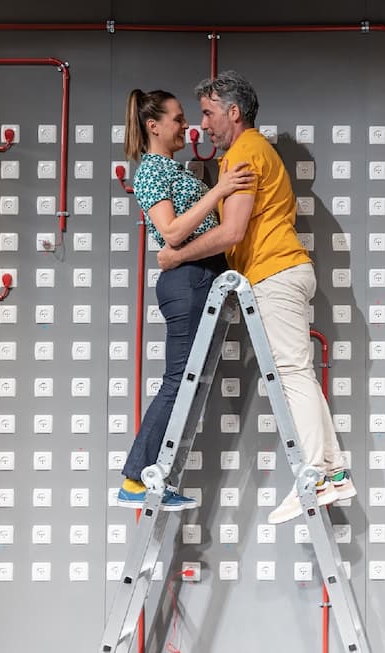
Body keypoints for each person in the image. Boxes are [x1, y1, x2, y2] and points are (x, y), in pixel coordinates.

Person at [156, 71, 356, 524]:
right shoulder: (254, 150)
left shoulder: (244, 152)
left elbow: (232, 232)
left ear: (233, 112)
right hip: (281, 271)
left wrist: (176, 255)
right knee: (297, 374)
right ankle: (331, 473)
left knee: (291, 375)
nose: (202, 125)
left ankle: (316, 477)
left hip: (275, 273)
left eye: (208, 113)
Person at [117, 88, 254, 510]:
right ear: (153, 126)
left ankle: (153, 479)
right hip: (187, 280)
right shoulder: (151, 170)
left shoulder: (173, 170)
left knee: (187, 383)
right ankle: (135, 480)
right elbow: (172, 232)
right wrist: (220, 189)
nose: (186, 125)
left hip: (200, 278)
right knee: (178, 381)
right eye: (177, 119)